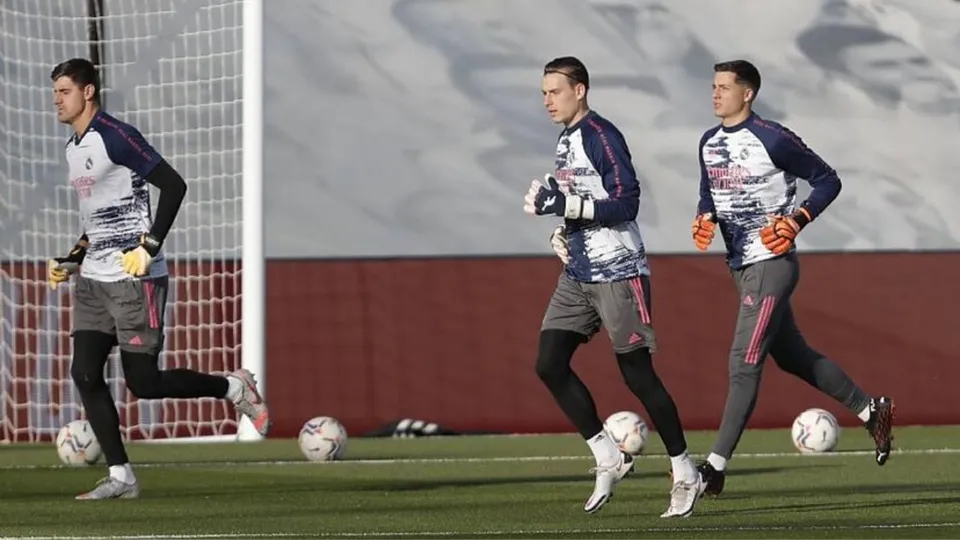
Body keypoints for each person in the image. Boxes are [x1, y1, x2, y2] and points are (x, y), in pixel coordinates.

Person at [49, 58, 271, 500]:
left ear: (88, 92)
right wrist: (73, 257)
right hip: (94, 280)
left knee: (144, 384)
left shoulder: (117, 135)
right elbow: (99, 219)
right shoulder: (73, 148)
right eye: (54, 92)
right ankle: (121, 477)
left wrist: (147, 248)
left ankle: (233, 387)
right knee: (85, 373)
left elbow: (174, 185)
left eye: (64, 91)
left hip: (136, 279)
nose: (56, 100)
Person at [691, 59, 895, 496]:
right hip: (740, 267)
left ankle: (714, 468)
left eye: (724, 87)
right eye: (713, 86)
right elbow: (709, 191)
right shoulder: (708, 142)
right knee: (791, 354)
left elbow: (827, 179)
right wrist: (703, 215)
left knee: (742, 363)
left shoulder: (773, 138)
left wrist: (799, 218)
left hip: (772, 263)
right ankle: (870, 410)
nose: (715, 93)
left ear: (747, 94)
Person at [524, 56, 702, 518]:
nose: (547, 100)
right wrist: (562, 229)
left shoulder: (603, 136)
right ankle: (609, 454)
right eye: (543, 92)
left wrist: (565, 204)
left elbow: (626, 202)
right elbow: (583, 203)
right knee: (549, 363)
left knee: (637, 375)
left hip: (619, 272)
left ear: (579, 90)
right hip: (578, 273)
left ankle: (686, 472)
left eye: (554, 91)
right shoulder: (565, 141)